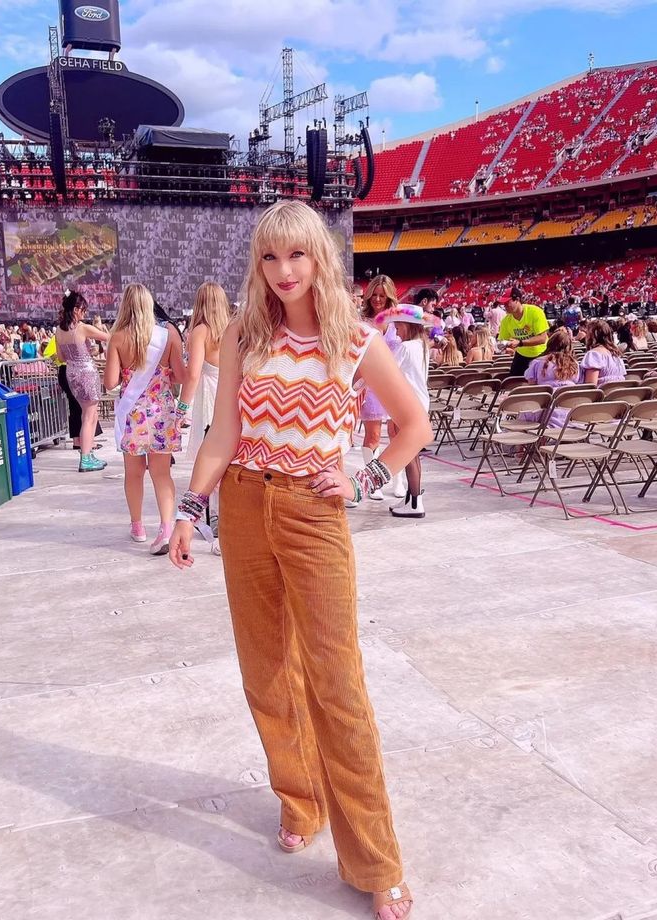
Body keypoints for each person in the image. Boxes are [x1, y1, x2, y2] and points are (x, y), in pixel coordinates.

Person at [169, 200, 429, 920]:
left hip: (316, 516)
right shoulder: (243, 336)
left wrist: (367, 478)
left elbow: (414, 425)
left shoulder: (356, 339)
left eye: (298, 256)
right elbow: (221, 436)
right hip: (246, 508)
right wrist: (191, 510)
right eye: (269, 258)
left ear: (320, 258)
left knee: (337, 686)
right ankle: (300, 798)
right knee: (265, 673)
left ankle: (377, 862)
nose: (284, 272)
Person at [104, 283, 186, 554]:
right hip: (162, 411)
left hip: (134, 414)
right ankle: (165, 527)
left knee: (134, 473)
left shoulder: (117, 337)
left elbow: (110, 383)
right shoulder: (169, 334)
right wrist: (165, 375)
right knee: (162, 473)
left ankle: (137, 525)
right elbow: (182, 377)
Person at [177, 281, 230, 554]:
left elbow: (193, 373)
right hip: (232, 401)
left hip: (209, 402)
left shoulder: (200, 332)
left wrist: (181, 409)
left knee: (210, 469)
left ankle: (220, 533)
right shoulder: (233, 330)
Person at [376, 304, 434, 518]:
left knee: (408, 453)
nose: (396, 331)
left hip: (407, 405)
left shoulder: (406, 347)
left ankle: (415, 502)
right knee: (414, 453)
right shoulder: (422, 345)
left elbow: (388, 371)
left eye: (398, 326)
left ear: (408, 326)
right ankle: (413, 496)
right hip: (420, 403)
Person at [55, 291, 110, 472]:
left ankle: (88, 453)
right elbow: (108, 338)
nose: (85, 314)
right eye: (84, 310)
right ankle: (86, 457)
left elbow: (61, 357)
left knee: (89, 415)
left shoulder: (59, 331)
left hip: (71, 373)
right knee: (88, 416)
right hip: (86, 372)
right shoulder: (82, 328)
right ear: (77, 310)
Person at [359, 274, 399, 501]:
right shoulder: (362, 321)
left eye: (382, 295)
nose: (377, 299)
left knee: (397, 434)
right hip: (371, 384)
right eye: (374, 295)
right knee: (373, 436)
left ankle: (399, 479)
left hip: (395, 383)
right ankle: (373, 483)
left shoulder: (398, 318)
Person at [523, 328, 579, 427]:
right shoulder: (575, 364)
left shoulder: (537, 362)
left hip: (544, 406)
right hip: (571, 409)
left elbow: (531, 387)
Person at [497, 285, 550, 376]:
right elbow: (502, 341)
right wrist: (504, 345)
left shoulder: (535, 312)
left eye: (507, 303)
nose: (504, 306)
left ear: (517, 300)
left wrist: (520, 343)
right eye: (503, 304)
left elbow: (542, 338)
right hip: (522, 354)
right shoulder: (506, 321)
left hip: (541, 353)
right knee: (513, 381)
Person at [579, 319, 626, 387]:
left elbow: (590, 386)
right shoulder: (616, 354)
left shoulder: (594, 355)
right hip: (619, 395)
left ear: (591, 335)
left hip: (603, 395)